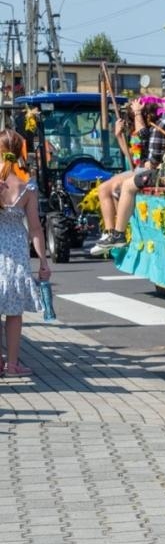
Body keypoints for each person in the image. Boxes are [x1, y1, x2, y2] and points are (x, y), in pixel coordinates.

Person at [90, 98, 165, 256]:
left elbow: (150, 161)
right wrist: (119, 136)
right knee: (104, 188)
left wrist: (138, 113)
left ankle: (119, 234)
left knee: (119, 187)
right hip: (141, 168)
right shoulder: (149, 128)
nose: (133, 119)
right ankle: (110, 232)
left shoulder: (158, 126)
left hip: (153, 171)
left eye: (136, 116)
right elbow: (133, 157)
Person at [0, 130, 50, 376]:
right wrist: (43, 261)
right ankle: (12, 364)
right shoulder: (27, 187)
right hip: (17, 255)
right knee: (13, 312)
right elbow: (36, 229)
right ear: (20, 150)